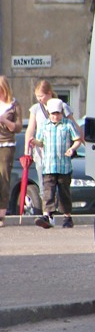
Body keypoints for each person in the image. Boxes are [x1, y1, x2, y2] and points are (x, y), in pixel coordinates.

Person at [32, 99, 81, 229]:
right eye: (53, 114)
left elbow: (77, 139)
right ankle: (47, 215)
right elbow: (41, 142)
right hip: (49, 165)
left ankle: (67, 216)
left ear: (62, 113)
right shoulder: (44, 125)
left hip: (64, 165)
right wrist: (34, 142)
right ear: (48, 113)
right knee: (48, 191)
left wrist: (72, 148)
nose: (56, 116)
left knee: (64, 192)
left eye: (58, 113)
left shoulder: (68, 124)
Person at [25, 80, 82, 171]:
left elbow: (74, 125)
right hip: (42, 153)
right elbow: (30, 129)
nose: (39, 99)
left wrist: (83, 142)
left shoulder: (62, 106)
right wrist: (27, 151)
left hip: (61, 153)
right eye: (37, 96)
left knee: (61, 180)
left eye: (41, 96)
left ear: (49, 93)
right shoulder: (36, 108)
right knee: (44, 181)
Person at [0, 76, 23, 227]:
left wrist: (5, 121)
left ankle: (1, 214)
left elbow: (19, 127)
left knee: (3, 177)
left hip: (6, 145)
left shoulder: (14, 105)